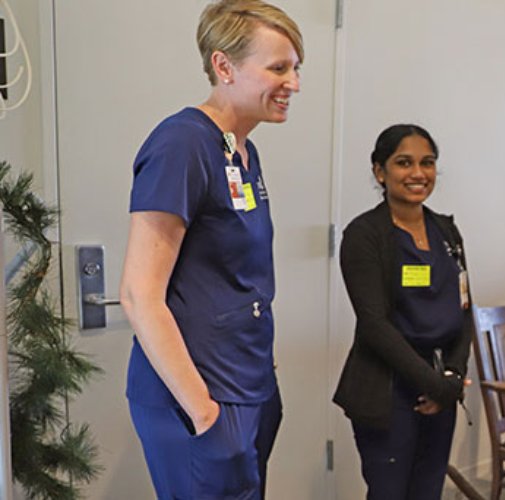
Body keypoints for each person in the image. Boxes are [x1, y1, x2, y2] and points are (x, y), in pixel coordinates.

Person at [119, 1, 301, 498]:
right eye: (278, 68)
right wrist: (204, 412)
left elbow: (236, 277)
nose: (294, 83)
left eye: (296, 68)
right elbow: (139, 294)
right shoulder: (182, 143)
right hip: (201, 400)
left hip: (248, 386)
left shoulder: (242, 150)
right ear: (224, 67)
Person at [332, 124, 473, 500]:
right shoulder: (364, 235)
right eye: (404, 163)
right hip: (387, 389)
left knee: (428, 491)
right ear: (380, 171)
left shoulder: (447, 232)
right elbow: (374, 325)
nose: (418, 173)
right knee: (390, 492)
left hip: (440, 384)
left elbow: (464, 310)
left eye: (427, 163)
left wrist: (453, 375)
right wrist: (435, 385)